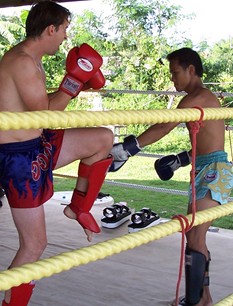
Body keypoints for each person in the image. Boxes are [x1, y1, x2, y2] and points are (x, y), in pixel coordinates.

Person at [0, 1, 113, 305]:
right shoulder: (22, 61)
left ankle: (79, 207)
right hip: (19, 159)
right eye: (64, 29)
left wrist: (72, 86)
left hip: (38, 144)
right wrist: (73, 82)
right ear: (51, 28)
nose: (65, 37)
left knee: (102, 138)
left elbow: (42, 110)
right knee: (34, 246)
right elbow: (46, 115)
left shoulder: (32, 60)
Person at [110, 47, 233, 306]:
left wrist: (129, 149)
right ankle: (203, 297)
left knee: (196, 236)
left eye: (175, 73)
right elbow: (208, 142)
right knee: (194, 236)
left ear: (191, 70)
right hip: (205, 168)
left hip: (214, 172)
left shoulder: (198, 97)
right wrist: (180, 160)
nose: (172, 79)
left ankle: (196, 300)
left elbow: (165, 125)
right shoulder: (199, 98)